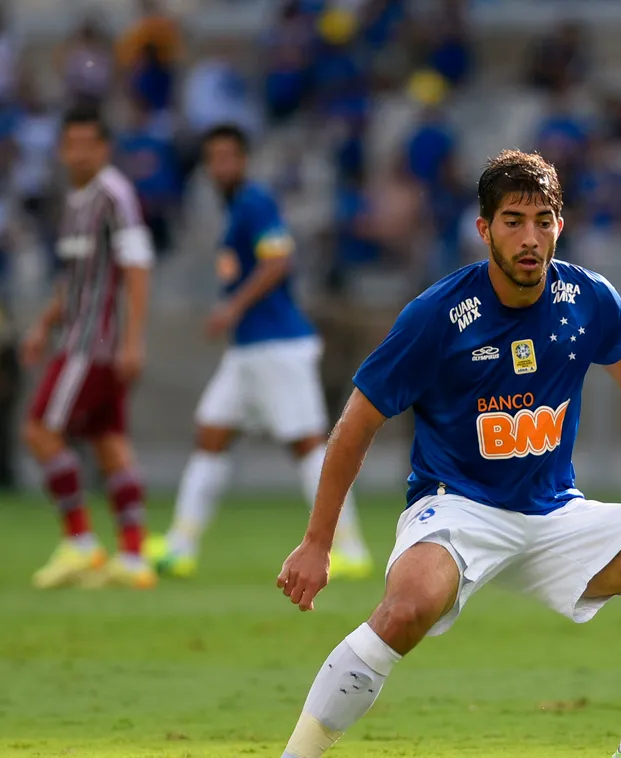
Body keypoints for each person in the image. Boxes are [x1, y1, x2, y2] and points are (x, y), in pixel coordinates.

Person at [273, 149, 621, 758]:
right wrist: (319, 541)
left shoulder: (588, 298)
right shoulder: (437, 316)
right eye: (513, 220)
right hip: (458, 508)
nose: (530, 237)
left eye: (543, 219)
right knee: (406, 611)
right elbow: (355, 425)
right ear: (484, 230)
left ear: (560, 224)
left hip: (553, 513)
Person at [145, 124, 371, 579]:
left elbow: (278, 260)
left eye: (228, 156)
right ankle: (181, 544)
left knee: (307, 446)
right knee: (211, 435)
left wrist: (232, 306)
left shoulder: (254, 202)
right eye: (212, 158)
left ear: (244, 160)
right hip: (248, 350)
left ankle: (349, 548)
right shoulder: (235, 211)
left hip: (277, 346)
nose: (219, 166)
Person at [25, 105, 156, 589]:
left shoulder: (113, 196)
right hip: (75, 334)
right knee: (109, 442)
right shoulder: (75, 199)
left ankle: (80, 543)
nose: (78, 153)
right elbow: (73, 279)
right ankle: (134, 556)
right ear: (62, 148)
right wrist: (43, 324)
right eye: (71, 144)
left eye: (88, 145)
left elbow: (138, 268)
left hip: (92, 344)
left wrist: (132, 342)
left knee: (38, 430)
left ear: (104, 148)